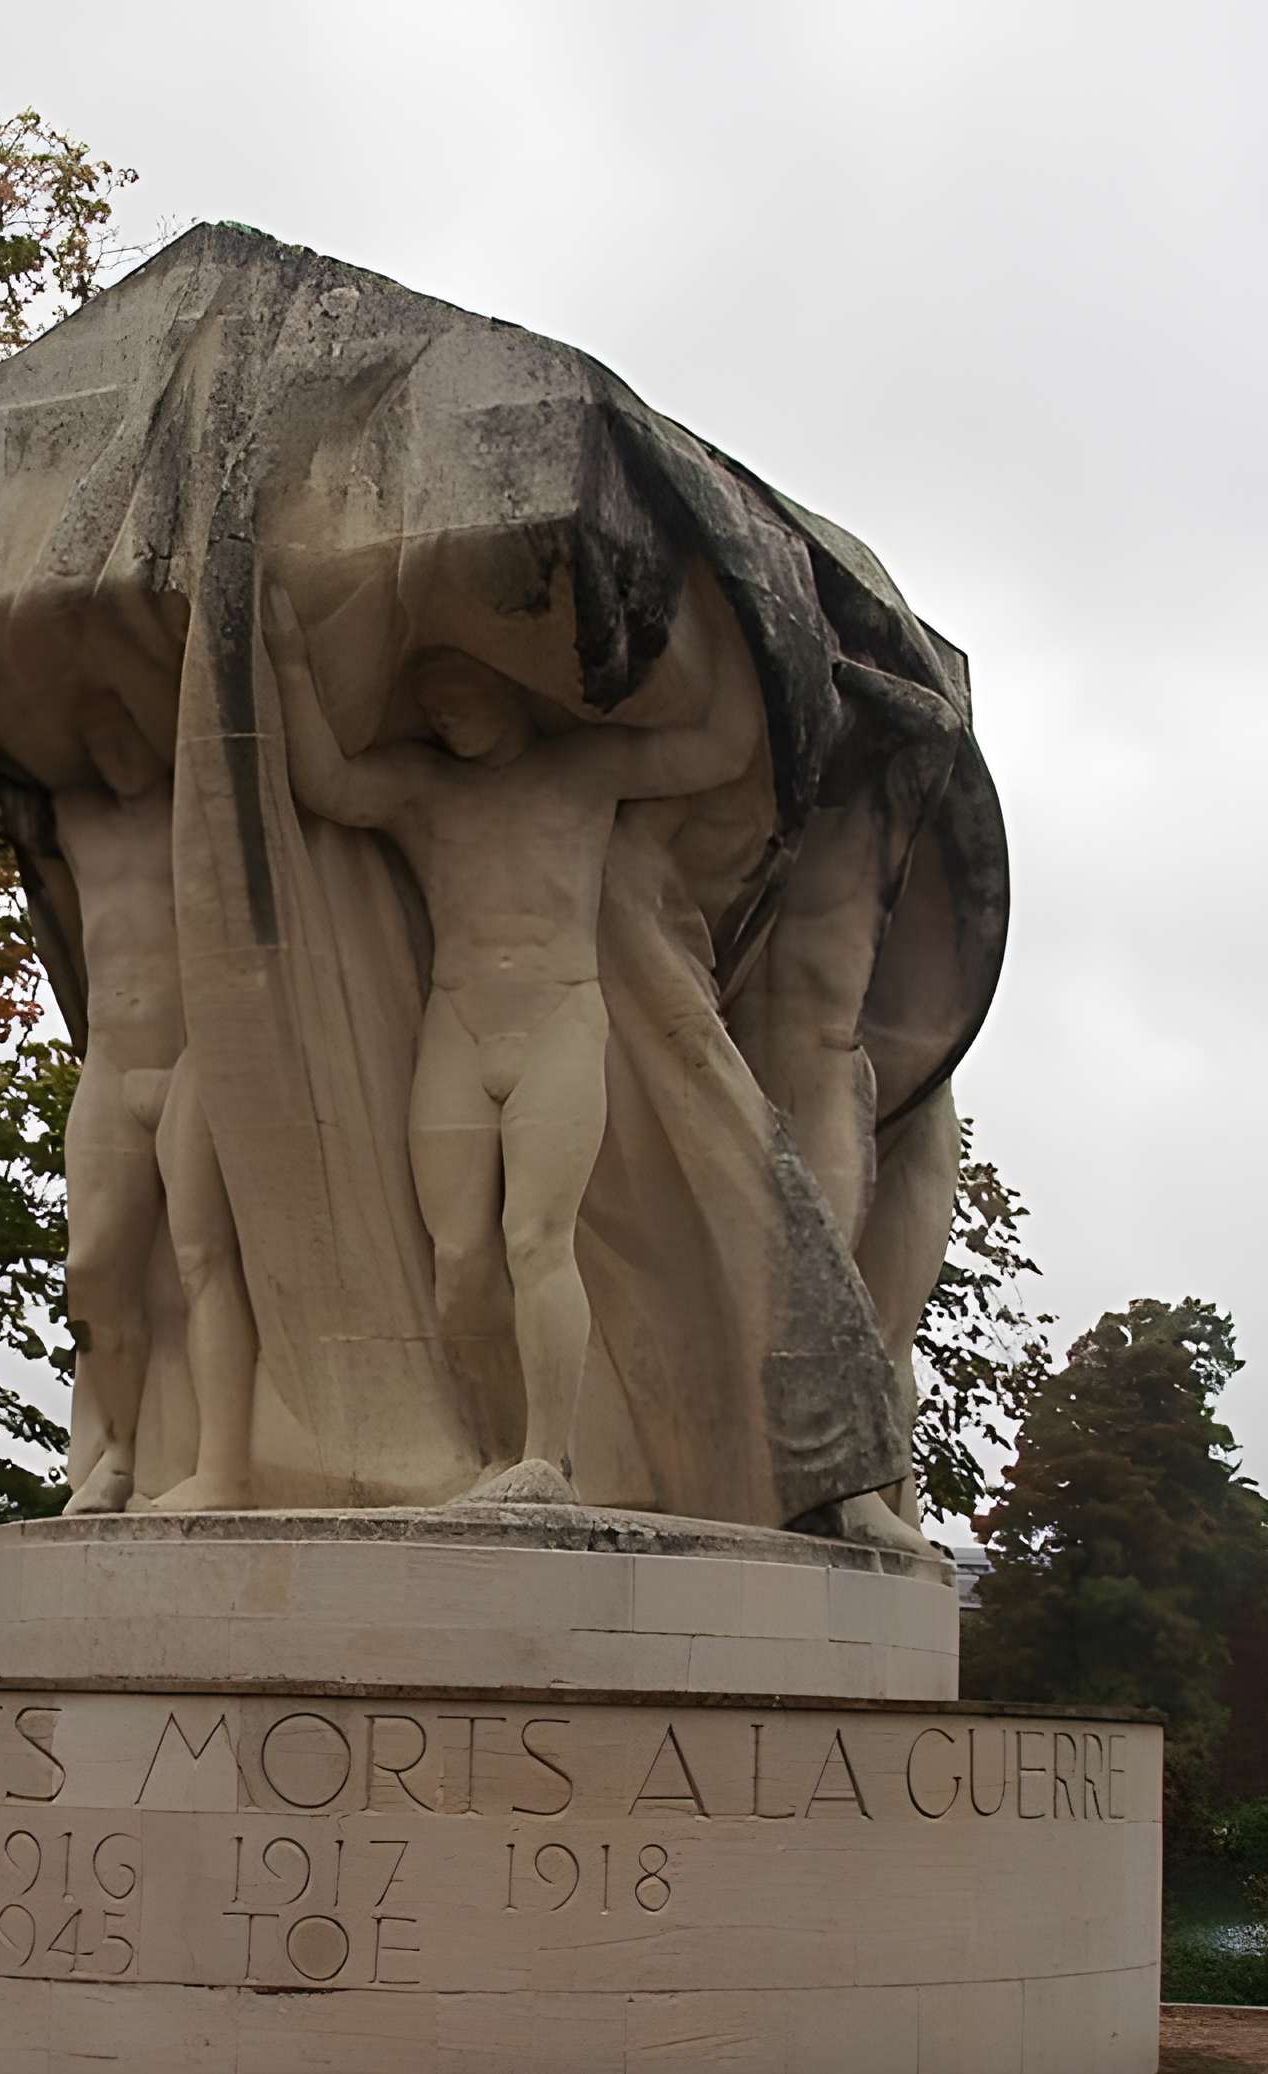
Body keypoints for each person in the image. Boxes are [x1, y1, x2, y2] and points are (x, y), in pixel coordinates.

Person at [263, 578, 761, 1502]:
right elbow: (325, 782)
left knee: (536, 1239)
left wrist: (734, 609)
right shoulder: (424, 791)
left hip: (559, 1021)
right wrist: (288, 659)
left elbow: (722, 747)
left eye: (460, 699)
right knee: (458, 1265)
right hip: (457, 1026)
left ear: (506, 692)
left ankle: (547, 1457)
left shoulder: (585, 770)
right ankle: (494, 1450)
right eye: (432, 709)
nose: (446, 718)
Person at [55, 692, 255, 1513]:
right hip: (111, 1064)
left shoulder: (202, 815)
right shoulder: (73, 817)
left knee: (202, 1263)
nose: (109, 747)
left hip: (189, 1059)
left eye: (123, 725)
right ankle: (121, 1451)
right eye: (92, 733)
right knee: (91, 1271)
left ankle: (223, 1465)